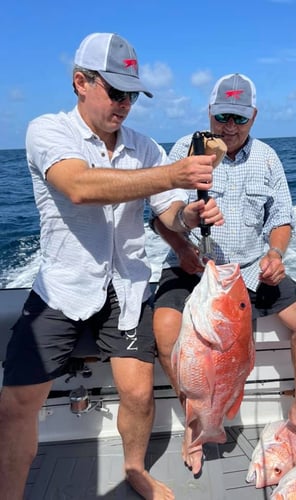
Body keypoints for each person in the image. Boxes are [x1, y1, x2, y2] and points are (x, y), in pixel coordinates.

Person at [0, 33, 224, 500]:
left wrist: (190, 215)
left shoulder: (144, 147)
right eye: (116, 92)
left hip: (126, 290)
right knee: (17, 405)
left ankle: (134, 469)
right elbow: (78, 185)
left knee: (140, 394)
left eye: (132, 95)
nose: (125, 104)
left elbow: (167, 213)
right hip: (61, 289)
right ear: (81, 82)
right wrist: (172, 174)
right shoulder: (48, 130)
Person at [152, 73, 296, 475]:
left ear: (253, 117)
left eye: (239, 118)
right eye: (222, 116)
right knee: (166, 324)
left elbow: (282, 218)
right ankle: (195, 422)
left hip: (252, 271)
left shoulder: (267, 157)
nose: (230, 127)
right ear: (210, 113)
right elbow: (157, 217)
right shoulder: (186, 150)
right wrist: (183, 244)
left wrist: (275, 254)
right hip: (195, 269)